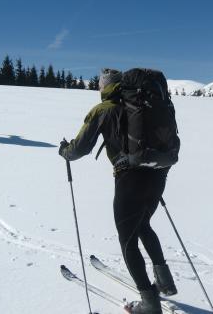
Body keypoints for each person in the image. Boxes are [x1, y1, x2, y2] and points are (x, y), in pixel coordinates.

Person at [59, 68, 177, 314]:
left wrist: (65, 151)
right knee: (143, 224)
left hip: (129, 180)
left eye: (101, 85)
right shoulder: (139, 105)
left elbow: (80, 148)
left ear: (105, 87)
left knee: (128, 240)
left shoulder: (103, 110)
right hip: (157, 174)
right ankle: (164, 282)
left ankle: (149, 303)